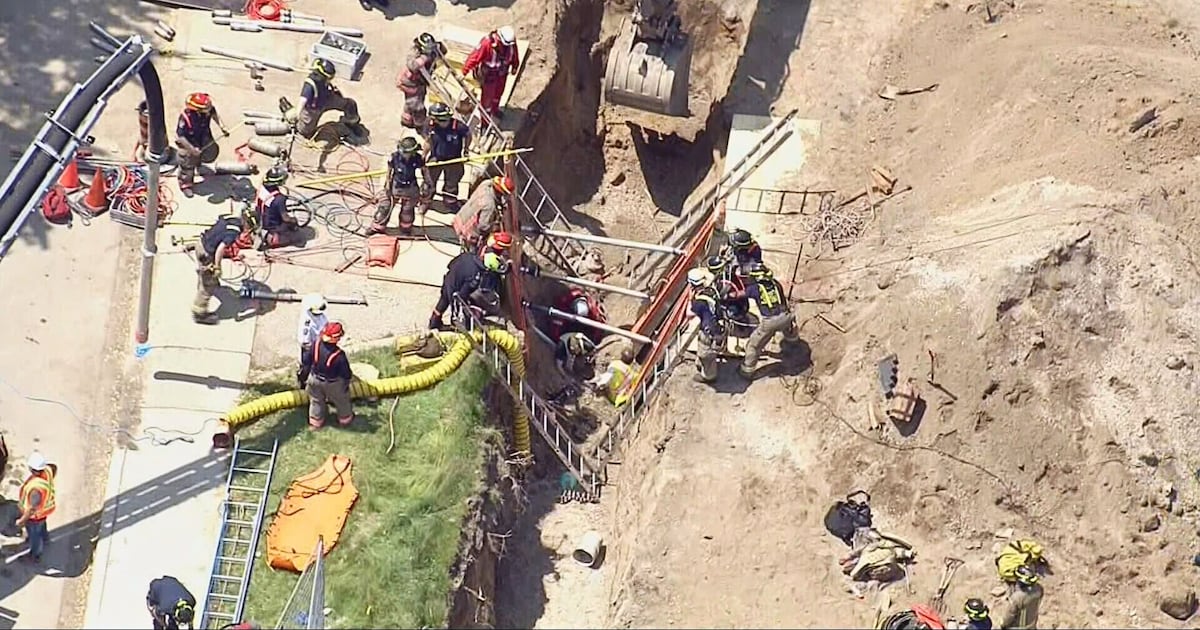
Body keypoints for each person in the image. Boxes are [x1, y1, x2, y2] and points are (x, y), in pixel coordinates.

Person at [736, 263, 800, 379]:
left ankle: (746, 371)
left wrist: (725, 294)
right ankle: (794, 346)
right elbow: (783, 301)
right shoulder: (775, 283)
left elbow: (737, 295)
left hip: (770, 322)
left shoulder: (755, 288)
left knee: (753, 346)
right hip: (785, 316)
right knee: (789, 329)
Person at [285, 58, 363, 139]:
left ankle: (351, 123)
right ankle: (289, 111)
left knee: (350, 104)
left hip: (327, 99)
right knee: (305, 131)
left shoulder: (323, 79)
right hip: (313, 110)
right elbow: (303, 100)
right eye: (328, 77)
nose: (329, 80)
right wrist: (297, 113)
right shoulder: (309, 84)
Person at [429, 251, 508, 330]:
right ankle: (457, 329)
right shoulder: (475, 277)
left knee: (443, 301)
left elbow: (451, 264)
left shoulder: (467, 255)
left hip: (449, 278)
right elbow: (462, 295)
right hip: (455, 290)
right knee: (458, 313)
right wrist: (468, 307)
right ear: (487, 269)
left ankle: (434, 322)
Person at [192, 214, 247, 324]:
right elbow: (220, 249)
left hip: (201, 244)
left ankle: (209, 283)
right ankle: (199, 313)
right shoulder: (233, 233)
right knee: (208, 285)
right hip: (206, 253)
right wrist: (217, 267)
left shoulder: (231, 219)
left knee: (205, 274)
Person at [371, 137, 430, 235]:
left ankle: (405, 228)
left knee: (407, 211)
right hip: (395, 186)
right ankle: (377, 228)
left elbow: (424, 171)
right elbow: (389, 171)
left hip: (411, 188)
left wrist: (427, 184)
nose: (403, 154)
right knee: (384, 207)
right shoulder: (394, 157)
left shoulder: (417, 158)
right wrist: (387, 184)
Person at [175, 92, 229, 196]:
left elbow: (214, 113)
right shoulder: (185, 118)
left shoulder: (208, 110)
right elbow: (180, 137)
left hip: (204, 137)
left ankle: (199, 162)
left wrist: (222, 127)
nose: (209, 109)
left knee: (209, 152)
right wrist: (191, 149)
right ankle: (185, 184)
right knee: (187, 163)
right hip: (188, 142)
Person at [302, 322, 354, 429]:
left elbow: (306, 361)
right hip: (332, 384)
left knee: (316, 401)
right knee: (341, 401)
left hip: (314, 379)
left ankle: (316, 423)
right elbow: (346, 373)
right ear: (337, 338)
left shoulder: (315, 345)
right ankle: (345, 420)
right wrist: (345, 384)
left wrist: (304, 378)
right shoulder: (339, 355)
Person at [461, 25, 520, 118]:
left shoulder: (510, 44)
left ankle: (495, 110)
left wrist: (515, 66)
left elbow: (514, 54)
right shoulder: (487, 43)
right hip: (489, 76)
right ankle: (485, 121)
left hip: (502, 74)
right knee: (487, 101)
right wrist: (464, 72)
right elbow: (474, 57)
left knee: (498, 94)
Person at [424, 102, 472, 210]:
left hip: (454, 159)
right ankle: (426, 201)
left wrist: (466, 149)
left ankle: (450, 202)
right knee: (429, 182)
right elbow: (428, 141)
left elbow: (468, 135)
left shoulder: (458, 126)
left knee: (452, 183)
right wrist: (424, 155)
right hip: (436, 158)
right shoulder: (430, 126)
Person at [688, 268, 727, 384]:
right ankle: (703, 364)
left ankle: (709, 377)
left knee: (705, 354)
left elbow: (689, 315)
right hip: (720, 325)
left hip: (710, 333)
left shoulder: (699, 302)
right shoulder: (712, 291)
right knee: (707, 351)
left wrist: (690, 300)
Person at [16, 452, 56, 563]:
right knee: (41, 527)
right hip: (44, 511)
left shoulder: (35, 489)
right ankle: (45, 538)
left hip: (35, 517)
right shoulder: (48, 470)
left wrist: (22, 521)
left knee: (35, 536)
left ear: (32, 469)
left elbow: (31, 509)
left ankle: (35, 555)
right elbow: (54, 468)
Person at [396, 33, 442, 130]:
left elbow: (442, 51)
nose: (429, 50)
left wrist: (438, 48)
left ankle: (409, 117)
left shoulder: (432, 50)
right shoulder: (414, 53)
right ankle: (418, 124)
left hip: (421, 82)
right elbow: (412, 66)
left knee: (416, 101)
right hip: (412, 84)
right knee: (416, 106)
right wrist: (423, 59)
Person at [454, 175, 512, 251]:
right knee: (471, 252)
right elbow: (483, 226)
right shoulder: (490, 205)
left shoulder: (485, 184)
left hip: (462, 217)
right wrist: (494, 227)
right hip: (469, 230)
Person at [253, 165, 303, 249]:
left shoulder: (262, 188)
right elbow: (285, 218)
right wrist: (293, 220)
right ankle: (273, 239)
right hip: (271, 227)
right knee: (298, 237)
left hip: (260, 219)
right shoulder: (279, 199)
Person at [296, 294, 329, 388]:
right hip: (310, 346)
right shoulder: (307, 322)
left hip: (320, 343)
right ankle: (302, 381)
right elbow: (305, 340)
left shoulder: (321, 315)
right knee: (307, 366)